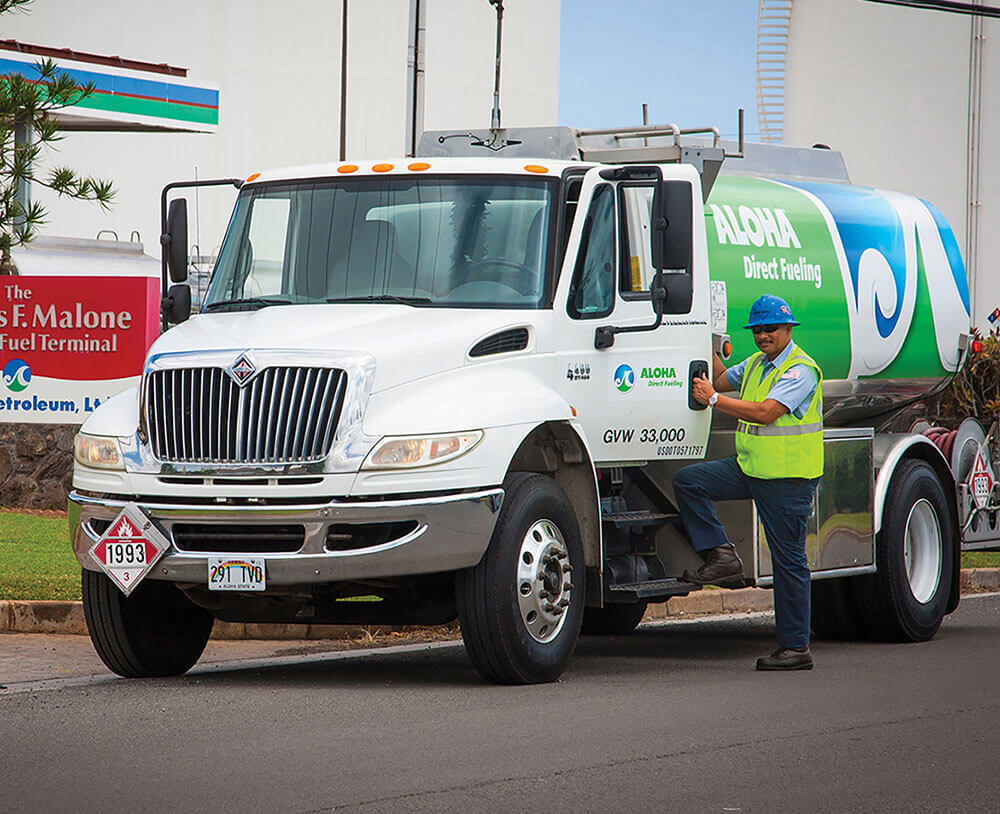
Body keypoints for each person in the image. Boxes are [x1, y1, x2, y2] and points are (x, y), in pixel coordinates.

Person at [673, 294, 823, 671]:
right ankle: (723, 556)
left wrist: (713, 400)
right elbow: (722, 378)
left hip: (787, 481)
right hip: (752, 469)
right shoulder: (757, 364)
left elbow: (765, 413)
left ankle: (795, 648)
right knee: (690, 482)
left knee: (789, 564)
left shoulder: (800, 369)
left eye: (770, 328)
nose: (762, 335)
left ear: (788, 329)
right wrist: (704, 336)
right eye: (757, 330)